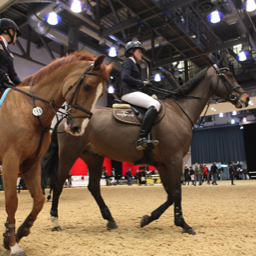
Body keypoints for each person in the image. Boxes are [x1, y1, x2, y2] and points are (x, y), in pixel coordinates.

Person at [120, 40, 161, 150]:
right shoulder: (128, 61)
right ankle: (142, 137)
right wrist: (141, 83)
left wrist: (146, 88)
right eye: (139, 51)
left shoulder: (135, 64)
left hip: (133, 91)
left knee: (155, 101)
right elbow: (125, 77)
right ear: (131, 51)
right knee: (155, 105)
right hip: (128, 92)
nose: (141, 54)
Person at [0, 18, 22, 92]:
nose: (16, 38)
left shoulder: (9, 53)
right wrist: (2, 74)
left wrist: (23, 86)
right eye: (16, 34)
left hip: (3, 85)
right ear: (10, 31)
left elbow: (13, 75)